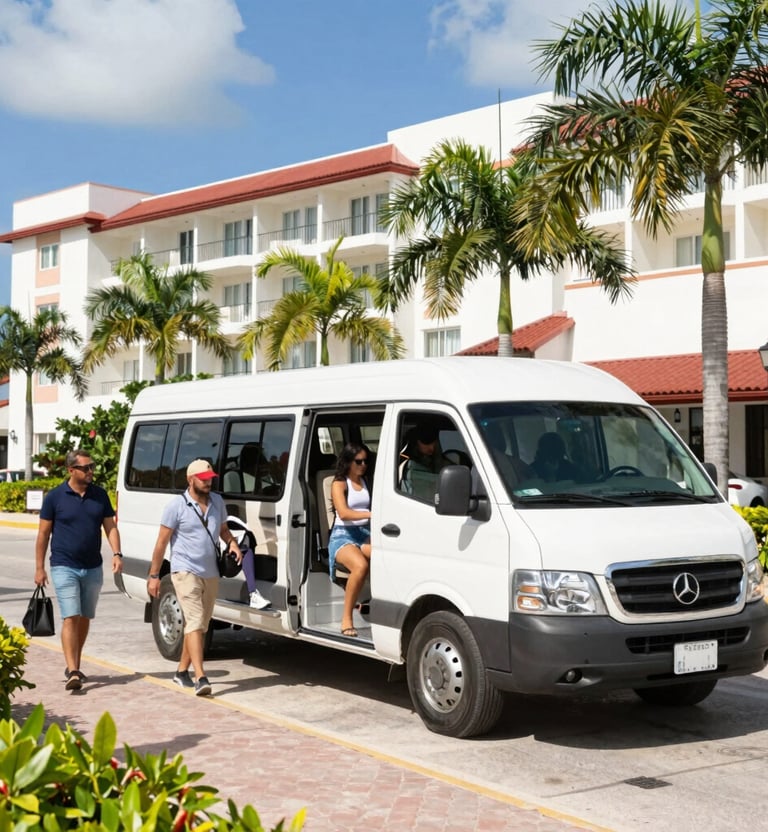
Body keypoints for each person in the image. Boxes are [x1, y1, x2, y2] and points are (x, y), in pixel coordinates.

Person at [147, 459, 243, 696]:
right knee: (195, 621)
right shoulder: (176, 506)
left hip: (210, 571)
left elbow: (222, 530)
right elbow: (161, 543)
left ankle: (181, 672)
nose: (209, 482)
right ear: (191, 480)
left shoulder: (217, 501)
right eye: (204, 478)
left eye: (211, 478)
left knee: (199, 625)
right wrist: (154, 575)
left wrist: (232, 543)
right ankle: (201, 676)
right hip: (184, 570)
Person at [34, 449, 123, 691]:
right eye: (85, 468)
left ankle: (75, 661)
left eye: (92, 467)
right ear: (71, 470)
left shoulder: (100, 496)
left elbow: (110, 528)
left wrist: (116, 553)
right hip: (64, 565)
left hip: (93, 566)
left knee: (84, 617)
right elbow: (43, 534)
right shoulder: (54, 497)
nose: (90, 471)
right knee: (71, 616)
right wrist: (39, 567)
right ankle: (73, 670)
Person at [328, 443, 371, 638]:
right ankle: (347, 618)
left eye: (365, 461)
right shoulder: (339, 483)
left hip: (365, 532)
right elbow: (344, 513)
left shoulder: (366, 481)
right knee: (360, 565)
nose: (363, 465)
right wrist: (370, 514)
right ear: (348, 462)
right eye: (358, 461)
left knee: (385, 557)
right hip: (343, 535)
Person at [398, 420, 452, 501]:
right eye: (426, 443)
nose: (431, 448)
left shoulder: (442, 462)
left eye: (434, 443)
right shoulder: (408, 464)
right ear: (416, 442)